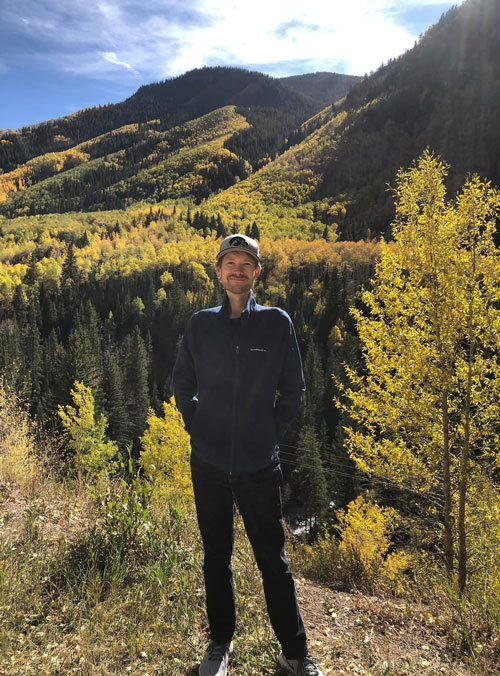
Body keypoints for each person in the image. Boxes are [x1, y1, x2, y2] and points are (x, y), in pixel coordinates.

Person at [173, 234, 325, 676]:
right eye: (230, 263)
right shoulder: (200, 325)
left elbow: (294, 389)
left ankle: (293, 654)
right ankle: (220, 644)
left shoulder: (276, 324)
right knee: (215, 556)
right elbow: (183, 384)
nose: (238, 270)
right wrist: (196, 426)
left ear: (257, 273)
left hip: (260, 468)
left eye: (246, 264)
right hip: (209, 465)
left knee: (273, 562)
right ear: (218, 272)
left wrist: (266, 435)